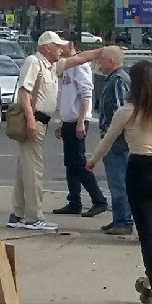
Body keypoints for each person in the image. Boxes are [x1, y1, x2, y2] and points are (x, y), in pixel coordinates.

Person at [88, 59, 152, 304]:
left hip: (138, 171)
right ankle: (149, 283)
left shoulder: (126, 112)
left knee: (147, 237)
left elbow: (107, 140)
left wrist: (92, 161)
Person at [10, 31, 102, 232]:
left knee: (24, 169)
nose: (61, 50)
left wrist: (101, 51)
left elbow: (78, 59)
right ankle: (34, 217)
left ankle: (17, 214)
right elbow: (24, 91)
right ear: (47, 47)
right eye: (58, 46)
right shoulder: (34, 62)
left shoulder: (50, 66)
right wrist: (31, 120)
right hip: (34, 120)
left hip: (39, 121)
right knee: (33, 170)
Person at [51, 38, 107, 219]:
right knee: (70, 164)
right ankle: (74, 200)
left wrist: (81, 120)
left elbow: (85, 94)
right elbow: (68, 97)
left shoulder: (80, 66)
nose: (60, 48)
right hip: (69, 121)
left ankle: (99, 200)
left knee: (79, 164)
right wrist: (63, 121)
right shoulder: (68, 67)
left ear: (71, 45)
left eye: (62, 44)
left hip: (77, 121)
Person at [92, 47, 134, 238]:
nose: (99, 63)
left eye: (101, 60)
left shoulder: (117, 80)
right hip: (116, 138)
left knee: (119, 181)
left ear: (111, 61)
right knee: (117, 180)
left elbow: (119, 110)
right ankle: (120, 218)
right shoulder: (117, 79)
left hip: (116, 140)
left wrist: (109, 130)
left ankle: (123, 221)